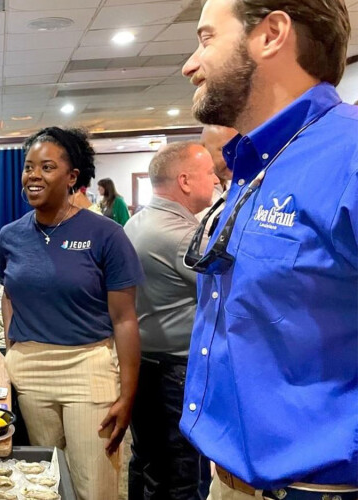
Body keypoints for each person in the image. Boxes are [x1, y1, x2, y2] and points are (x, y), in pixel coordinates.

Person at [181, 0, 357, 497]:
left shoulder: (350, 157)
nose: (190, 64)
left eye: (207, 38)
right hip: (229, 481)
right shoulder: (257, 164)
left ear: (272, 34)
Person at [0, 127, 144, 500]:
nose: (34, 175)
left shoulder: (106, 235)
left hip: (88, 368)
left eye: (47, 167)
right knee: (45, 482)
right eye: (29, 166)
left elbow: (125, 319)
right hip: (29, 371)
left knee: (95, 486)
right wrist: (11, 348)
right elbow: (9, 294)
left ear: (72, 177)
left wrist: (128, 395)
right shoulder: (11, 236)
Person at [123, 142, 218, 500]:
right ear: (185, 181)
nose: (216, 178)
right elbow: (231, 293)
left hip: (148, 362)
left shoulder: (139, 221)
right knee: (182, 473)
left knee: (148, 463)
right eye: (209, 172)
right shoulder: (181, 236)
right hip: (175, 372)